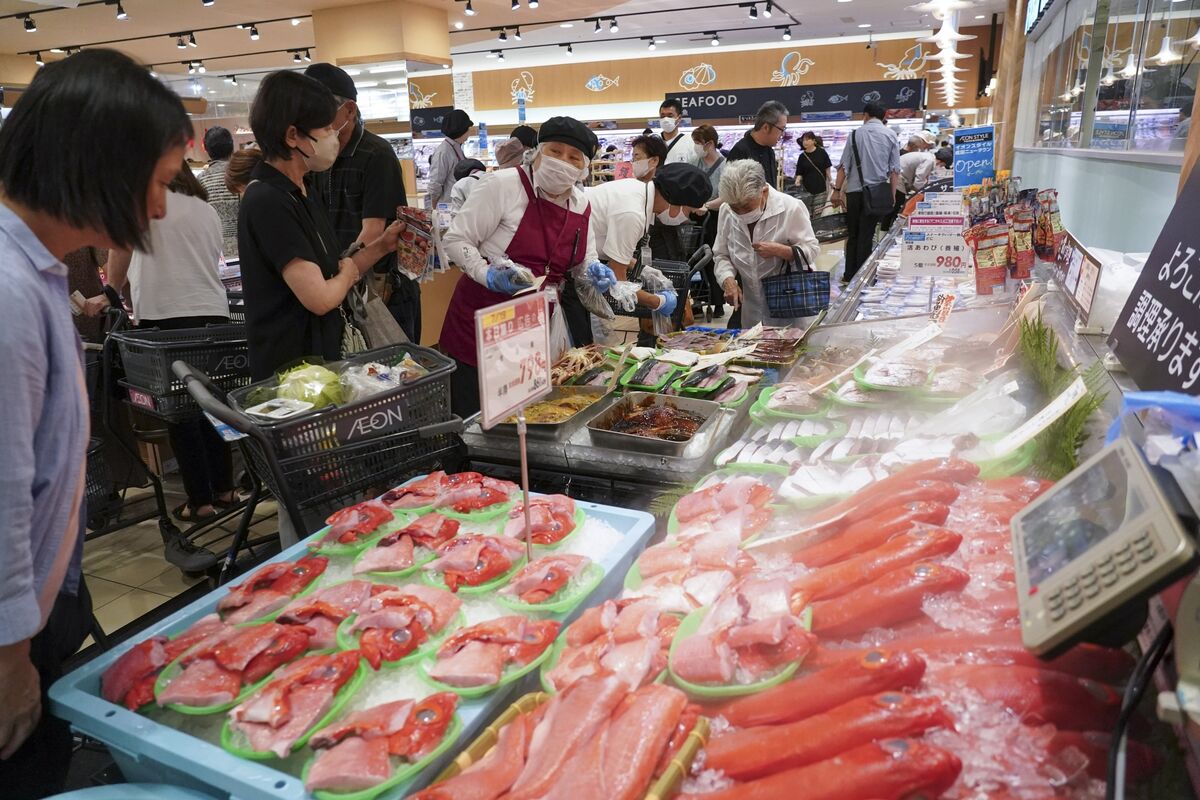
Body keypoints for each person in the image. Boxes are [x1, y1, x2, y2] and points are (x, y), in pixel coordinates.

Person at [0, 48, 191, 799]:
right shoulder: (9, 291)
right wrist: (11, 656)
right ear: (100, 165)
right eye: (157, 182)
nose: (158, 209)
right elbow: (5, 492)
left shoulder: (36, 270)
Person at [83, 164, 236, 551]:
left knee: (179, 411)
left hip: (165, 316)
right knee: (211, 405)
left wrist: (111, 293)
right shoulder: (204, 207)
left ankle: (200, 504)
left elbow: (121, 247)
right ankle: (226, 492)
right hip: (213, 313)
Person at [238, 70, 404, 384]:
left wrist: (383, 245)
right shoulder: (268, 200)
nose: (333, 135)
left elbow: (335, 270)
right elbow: (321, 297)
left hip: (324, 363)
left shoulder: (303, 190)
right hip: (293, 376)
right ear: (292, 136)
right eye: (325, 127)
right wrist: (344, 274)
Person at [440, 117, 608, 418]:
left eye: (574, 157)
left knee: (528, 416)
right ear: (538, 152)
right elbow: (456, 239)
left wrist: (594, 272)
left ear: (584, 167)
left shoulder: (581, 204)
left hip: (535, 327)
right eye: (555, 151)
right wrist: (486, 273)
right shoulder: (503, 185)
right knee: (476, 416)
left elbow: (585, 260)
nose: (563, 162)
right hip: (486, 320)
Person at [304, 63, 419, 343]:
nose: (313, 119)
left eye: (322, 109)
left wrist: (336, 280)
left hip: (379, 290)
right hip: (338, 287)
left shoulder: (376, 154)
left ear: (349, 110)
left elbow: (374, 232)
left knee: (395, 376)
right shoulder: (314, 158)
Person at [714, 160, 820, 329]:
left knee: (791, 348)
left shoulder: (790, 207)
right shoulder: (726, 210)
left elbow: (812, 250)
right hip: (752, 307)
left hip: (791, 302)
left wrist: (782, 251)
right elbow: (721, 254)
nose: (741, 213)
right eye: (736, 208)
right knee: (755, 349)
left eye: (747, 206)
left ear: (763, 191)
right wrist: (727, 279)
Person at [830, 102, 900, 283]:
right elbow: (894, 171)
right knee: (867, 235)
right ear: (883, 116)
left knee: (852, 234)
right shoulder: (891, 135)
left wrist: (836, 191)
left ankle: (848, 274)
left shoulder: (854, 135)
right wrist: (892, 195)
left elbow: (844, 166)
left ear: (865, 115)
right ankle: (862, 277)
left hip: (854, 192)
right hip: (876, 194)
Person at [727, 100, 789, 188]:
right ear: (766, 127)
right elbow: (731, 191)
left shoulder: (769, 151)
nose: (782, 134)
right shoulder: (740, 152)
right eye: (781, 129)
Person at [199, 125, 240, 257]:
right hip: (247, 247)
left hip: (216, 252)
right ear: (232, 146)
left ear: (206, 149)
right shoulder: (243, 174)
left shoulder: (200, 181)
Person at [427, 108, 473, 209]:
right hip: (447, 208)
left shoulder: (456, 147)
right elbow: (435, 184)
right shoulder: (443, 151)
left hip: (457, 205)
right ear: (461, 129)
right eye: (468, 128)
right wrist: (433, 210)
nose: (470, 131)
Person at [793, 131, 833, 216]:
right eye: (803, 140)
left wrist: (831, 180)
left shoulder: (822, 153)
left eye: (807, 140)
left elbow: (827, 169)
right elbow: (799, 172)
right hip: (806, 191)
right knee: (807, 215)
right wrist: (797, 181)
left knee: (818, 214)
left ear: (814, 141)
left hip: (820, 189)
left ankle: (817, 229)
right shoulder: (802, 156)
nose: (805, 142)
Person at [658, 98, 697, 166]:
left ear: (679, 118)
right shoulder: (653, 141)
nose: (666, 119)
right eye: (663, 116)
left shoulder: (689, 142)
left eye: (670, 116)